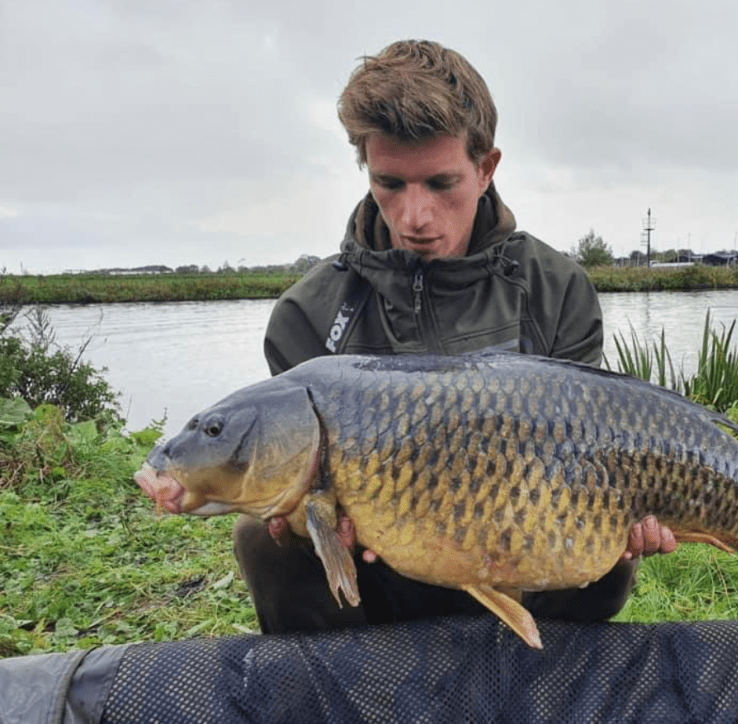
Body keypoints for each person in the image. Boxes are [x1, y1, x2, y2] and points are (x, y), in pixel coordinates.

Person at [233, 39, 675, 635]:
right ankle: (351, 687)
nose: (414, 216)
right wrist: (311, 519)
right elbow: (299, 482)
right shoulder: (307, 316)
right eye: (390, 183)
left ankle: (539, 677)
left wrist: (631, 512)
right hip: (379, 566)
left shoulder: (555, 288)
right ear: (367, 166)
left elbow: (592, 448)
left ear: (486, 167)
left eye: (441, 184)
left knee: (611, 534)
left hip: (530, 548)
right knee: (260, 535)